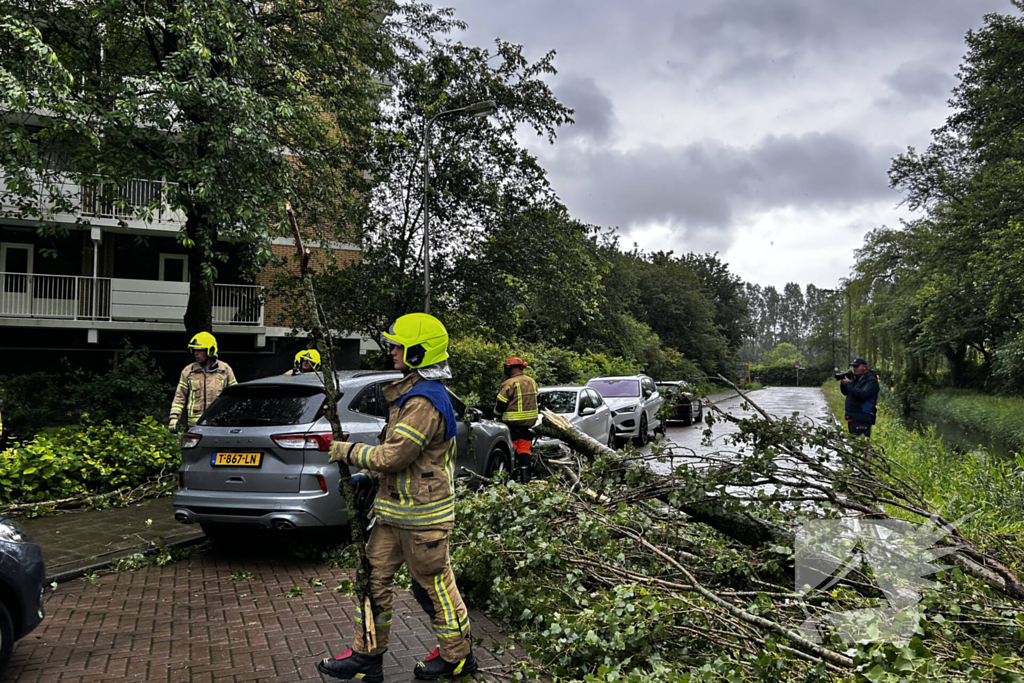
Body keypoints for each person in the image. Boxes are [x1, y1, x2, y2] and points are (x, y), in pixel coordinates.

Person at [318, 313, 476, 682]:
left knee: (436, 587)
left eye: (398, 346)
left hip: (423, 518)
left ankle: (457, 657)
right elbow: (395, 456)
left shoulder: (424, 401)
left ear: (419, 352)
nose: (391, 351)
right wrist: (366, 476)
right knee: (372, 580)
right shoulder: (409, 395)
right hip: (392, 515)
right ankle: (366, 655)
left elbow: (395, 456)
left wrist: (346, 451)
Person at [168, 332, 237, 433]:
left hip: (219, 424)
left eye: (200, 350)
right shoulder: (188, 371)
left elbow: (235, 396)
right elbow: (179, 397)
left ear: (210, 351)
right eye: (194, 350)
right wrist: (174, 418)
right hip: (195, 427)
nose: (196, 353)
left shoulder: (225, 370)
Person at [493, 357, 538, 484]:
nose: (506, 370)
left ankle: (510, 478)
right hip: (528, 424)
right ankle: (525, 480)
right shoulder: (531, 381)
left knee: (510, 449)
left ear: (515, 368)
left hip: (512, 424)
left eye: (508, 368)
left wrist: (496, 414)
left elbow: (501, 404)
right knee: (524, 450)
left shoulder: (510, 383)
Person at [840, 358, 879, 437]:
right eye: (854, 367)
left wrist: (848, 384)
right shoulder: (857, 380)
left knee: (861, 446)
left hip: (863, 417)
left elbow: (862, 394)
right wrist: (843, 383)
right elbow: (845, 392)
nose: (855, 369)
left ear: (864, 367)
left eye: (857, 367)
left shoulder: (871, 381)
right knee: (854, 445)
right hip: (853, 417)